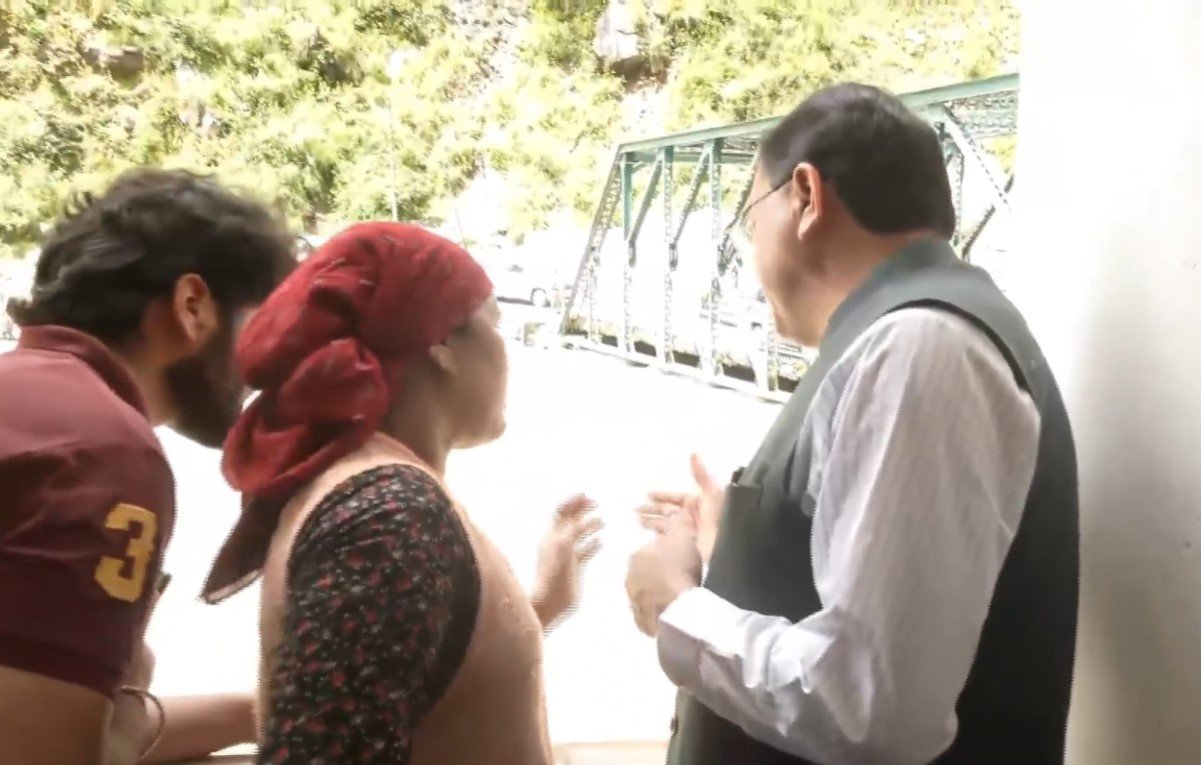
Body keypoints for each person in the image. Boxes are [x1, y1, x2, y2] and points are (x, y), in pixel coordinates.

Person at [625, 83, 1079, 765]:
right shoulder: (908, 336)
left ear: (805, 196)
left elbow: (870, 708)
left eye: (751, 216)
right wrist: (742, 545)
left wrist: (675, 609)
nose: (751, 248)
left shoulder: (920, 346)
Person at [201, 221, 603, 764]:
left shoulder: (378, 492)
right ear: (441, 344)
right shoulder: (391, 514)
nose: (506, 351)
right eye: (494, 322)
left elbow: (402, 683)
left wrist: (540, 606)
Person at [0, 168, 296, 764]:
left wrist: (253, 713)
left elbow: (39, 712)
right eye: (265, 326)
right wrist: (130, 694)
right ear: (192, 305)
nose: (272, 365)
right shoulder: (104, 452)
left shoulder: (31, 401)